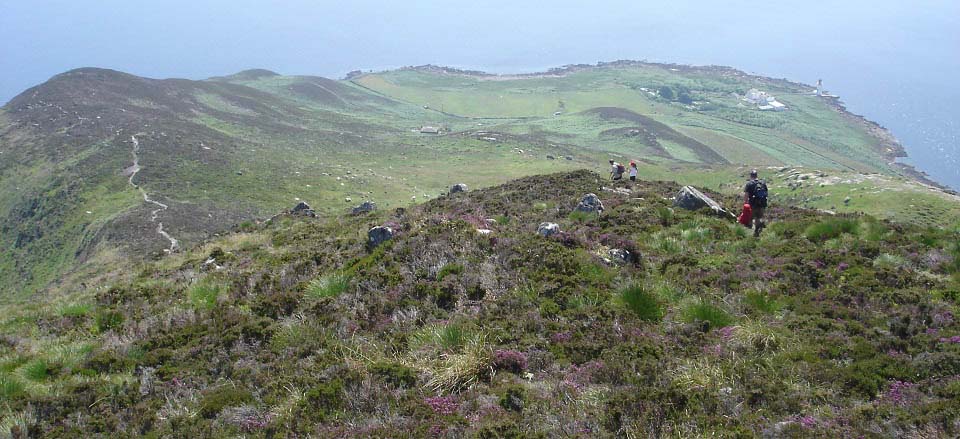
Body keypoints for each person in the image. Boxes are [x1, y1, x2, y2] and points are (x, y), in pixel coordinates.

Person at [743, 169, 769, 237]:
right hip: (762, 204)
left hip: (753, 204)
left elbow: (746, 195)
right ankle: (760, 230)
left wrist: (745, 204)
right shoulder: (762, 183)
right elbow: (766, 193)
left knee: (752, 218)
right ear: (757, 175)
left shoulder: (749, 184)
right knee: (759, 217)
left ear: (751, 176)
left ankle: (753, 233)